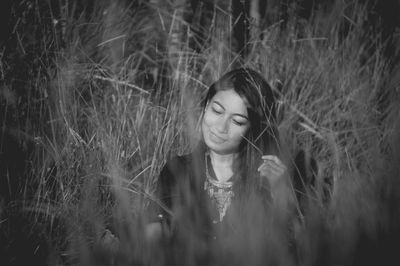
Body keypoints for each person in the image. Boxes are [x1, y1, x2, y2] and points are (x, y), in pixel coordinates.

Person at [146, 68, 296, 265]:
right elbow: (155, 231)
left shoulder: (266, 178)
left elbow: (287, 249)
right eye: (217, 110)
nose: (220, 127)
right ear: (206, 106)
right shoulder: (178, 170)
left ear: (254, 129)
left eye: (238, 121)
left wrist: (281, 194)